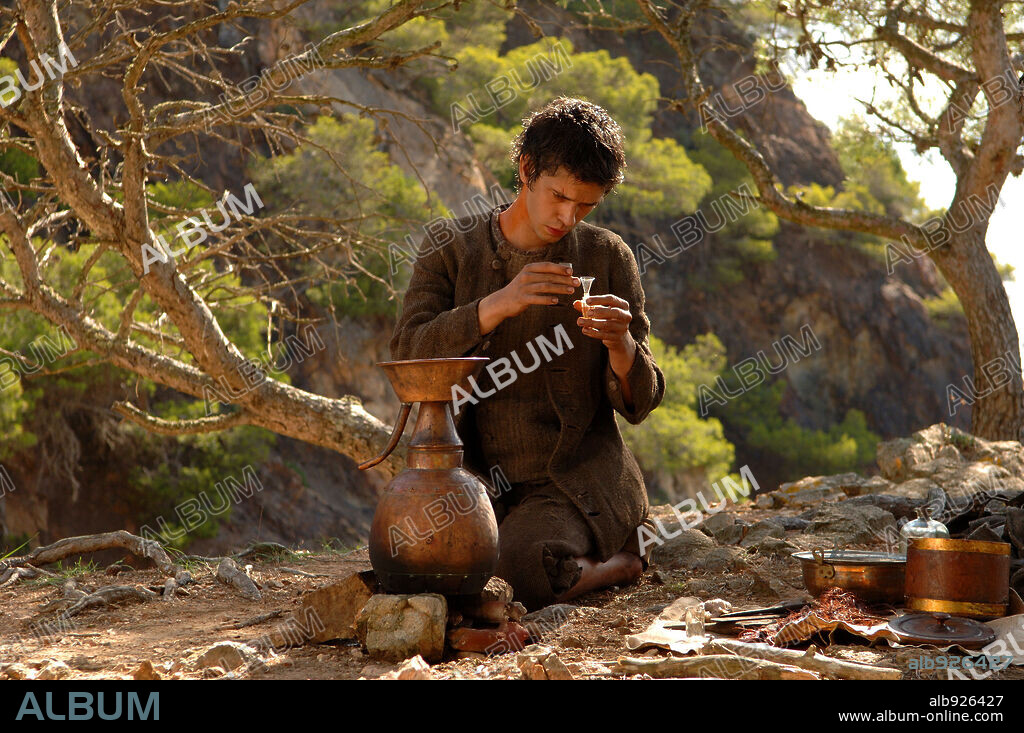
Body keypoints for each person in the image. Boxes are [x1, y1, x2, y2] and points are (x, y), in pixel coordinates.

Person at [390, 97, 665, 610]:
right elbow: (408, 354)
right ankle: (607, 552)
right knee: (414, 564)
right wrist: (498, 304)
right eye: (558, 196)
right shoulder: (450, 247)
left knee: (510, 571)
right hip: (471, 477)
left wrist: (621, 345)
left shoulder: (606, 256)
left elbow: (642, 401)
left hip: (573, 480)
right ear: (525, 170)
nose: (567, 217)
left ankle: (619, 560)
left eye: (585, 205)